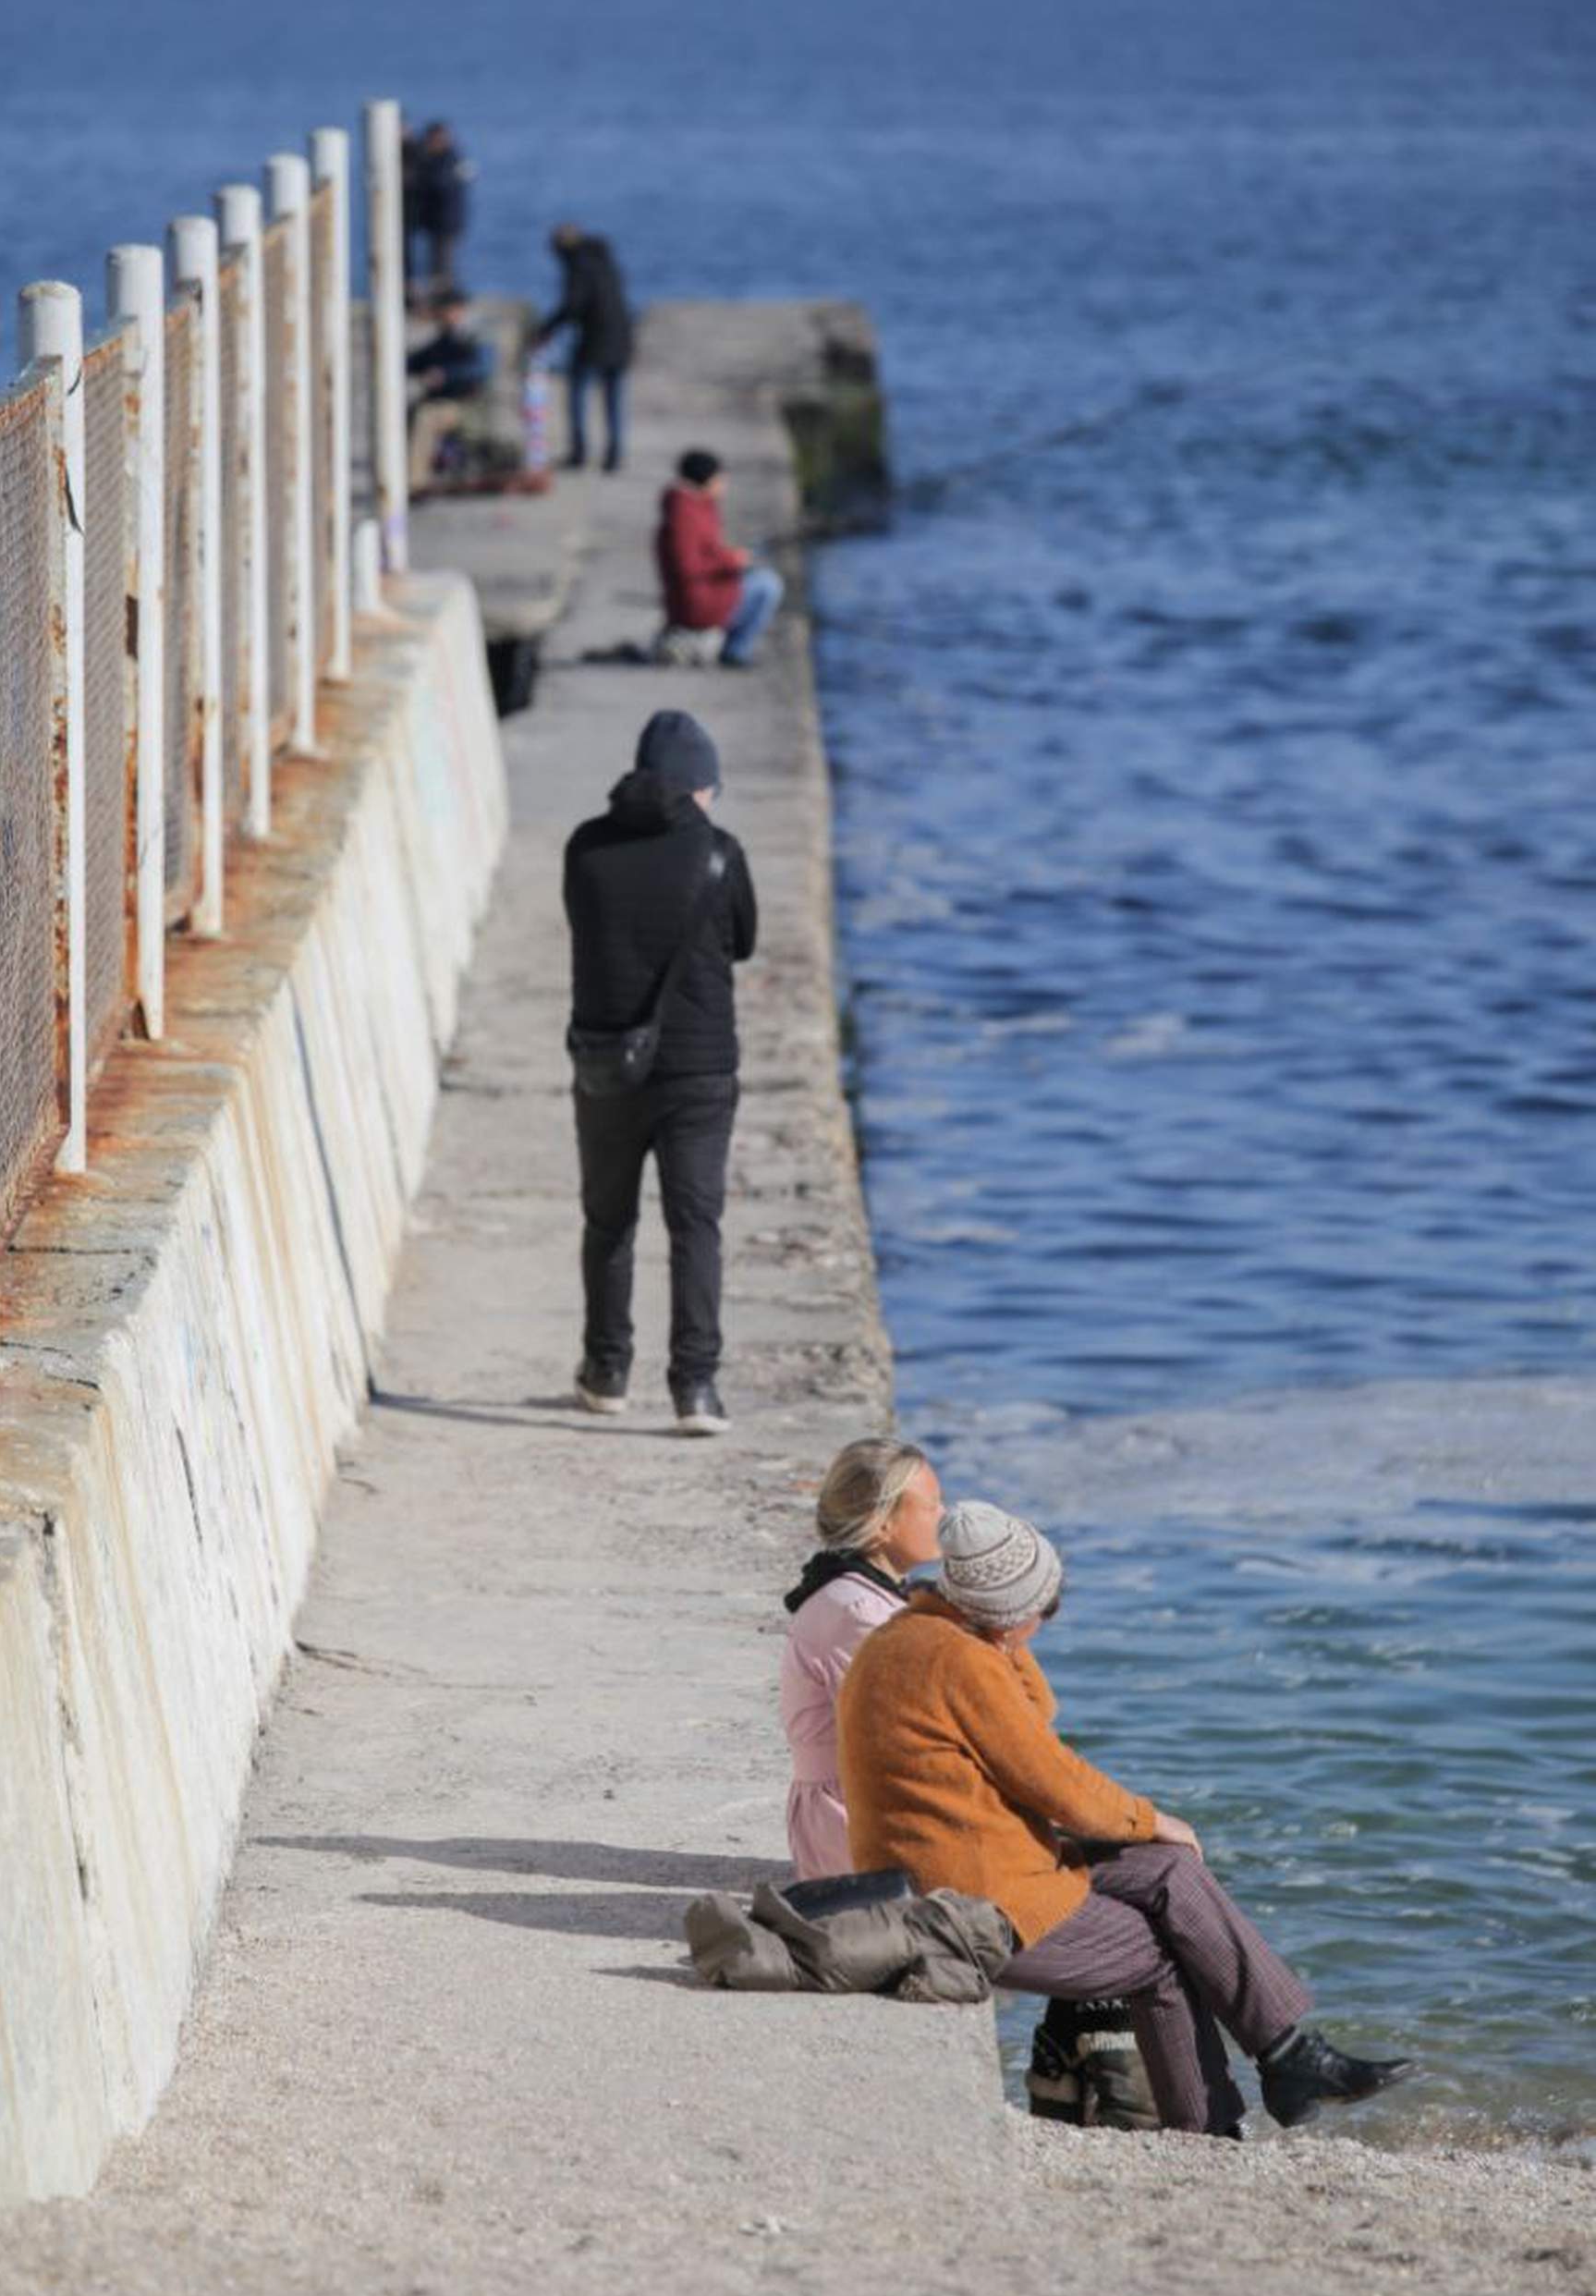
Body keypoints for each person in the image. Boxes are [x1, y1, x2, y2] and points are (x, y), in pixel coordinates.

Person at [838, 1501, 1416, 2137]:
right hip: (970, 1905)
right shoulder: (962, 1660)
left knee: (1168, 1870)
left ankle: (1289, 2054)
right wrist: (1149, 1816)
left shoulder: (909, 1634)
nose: (1048, 1618)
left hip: (972, 1868)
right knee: (1165, 1954)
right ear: (1004, 1610)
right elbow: (1056, 1782)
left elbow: (1036, 1712)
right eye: (1044, 1605)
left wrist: (1004, 1637)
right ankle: (1211, 2129)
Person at [564, 711, 756, 1435]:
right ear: (701, 788)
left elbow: (585, 924)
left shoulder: (585, 847)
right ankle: (695, 1388)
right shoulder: (719, 854)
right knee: (695, 1223)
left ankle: (606, 1370)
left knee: (608, 1219)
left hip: (606, 1060)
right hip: (699, 1071)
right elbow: (744, 939)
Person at [781, 1440, 943, 1878]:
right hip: (855, 1820)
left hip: (858, 1803)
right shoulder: (858, 1615)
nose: (943, 1516)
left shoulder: (865, 1594)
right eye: (932, 1506)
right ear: (882, 1526)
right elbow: (903, 1739)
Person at [655, 450, 784, 668]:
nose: (724, 486)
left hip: (698, 596)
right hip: (696, 605)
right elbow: (687, 565)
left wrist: (731, 557)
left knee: (757, 578)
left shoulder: (690, 507)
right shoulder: (686, 514)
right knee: (768, 585)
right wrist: (732, 561)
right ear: (707, 480)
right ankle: (735, 652)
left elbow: (704, 553)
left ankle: (731, 649)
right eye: (720, 480)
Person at [532, 225, 633, 472]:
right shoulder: (606, 262)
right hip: (622, 338)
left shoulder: (578, 267)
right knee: (614, 398)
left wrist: (545, 330)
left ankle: (579, 452)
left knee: (578, 394)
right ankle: (614, 455)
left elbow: (572, 305)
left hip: (595, 340)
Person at [405, 289, 494, 497]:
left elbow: (482, 370)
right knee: (411, 411)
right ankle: (409, 473)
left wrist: (446, 375)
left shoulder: (476, 336)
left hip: (469, 406)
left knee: (426, 417)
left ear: (458, 310)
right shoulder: (447, 336)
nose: (440, 316)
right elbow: (421, 359)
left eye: (444, 311)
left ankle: (415, 483)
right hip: (446, 402)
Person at [401, 121, 473, 301]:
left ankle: (443, 300)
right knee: (438, 263)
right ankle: (440, 298)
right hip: (440, 221)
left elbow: (439, 184)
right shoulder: (446, 158)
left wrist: (416, 181)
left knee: (442, 264)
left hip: (445, 222)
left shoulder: (447, 160)